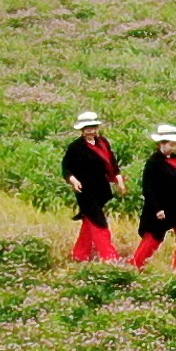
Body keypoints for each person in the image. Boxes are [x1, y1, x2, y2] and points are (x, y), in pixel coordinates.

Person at [133, 124, 176, 272]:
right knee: (152, 240)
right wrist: (157, 209)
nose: (174, 148)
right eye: (171, 145)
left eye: (175, 145)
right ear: (162, 143)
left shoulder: (175, 159)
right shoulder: (153, 163)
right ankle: (136, 266)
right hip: (160, 210)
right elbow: (148, 189)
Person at [60, 112, 122, 262]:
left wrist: (119, 179)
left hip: (100, 189)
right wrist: (73, 180)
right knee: (99, 222)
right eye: (88, 128)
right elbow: (66, 168)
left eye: (93, 127)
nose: (91, 131)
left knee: (90, 222)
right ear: (82, 129)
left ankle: (80, 255)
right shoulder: (76, 147)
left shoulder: (103, 143)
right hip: (85, 190)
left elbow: (111, 163)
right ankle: (110, 256)